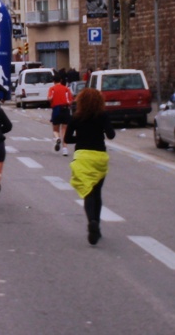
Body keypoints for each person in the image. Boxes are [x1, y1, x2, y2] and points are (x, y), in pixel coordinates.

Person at [65, 87, 116, 245]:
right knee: (97, 192)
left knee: (88, 192)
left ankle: (91, 222)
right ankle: (97, 224)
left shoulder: (76, 117)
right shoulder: (103, 116)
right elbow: (111, 135)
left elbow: (67, 138)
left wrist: (80, 139)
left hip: (82, 157)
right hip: (99, 156)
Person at [48, 75, 74, 156]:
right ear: (61, 80)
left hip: (56, 109)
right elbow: (70, 101)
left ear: (53, 81)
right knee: (64, 129)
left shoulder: (52, 89)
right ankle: (65, 149)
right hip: (65, 109)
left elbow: (49, 98)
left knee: (55, 129)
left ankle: (57, 138)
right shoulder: (66, 89)